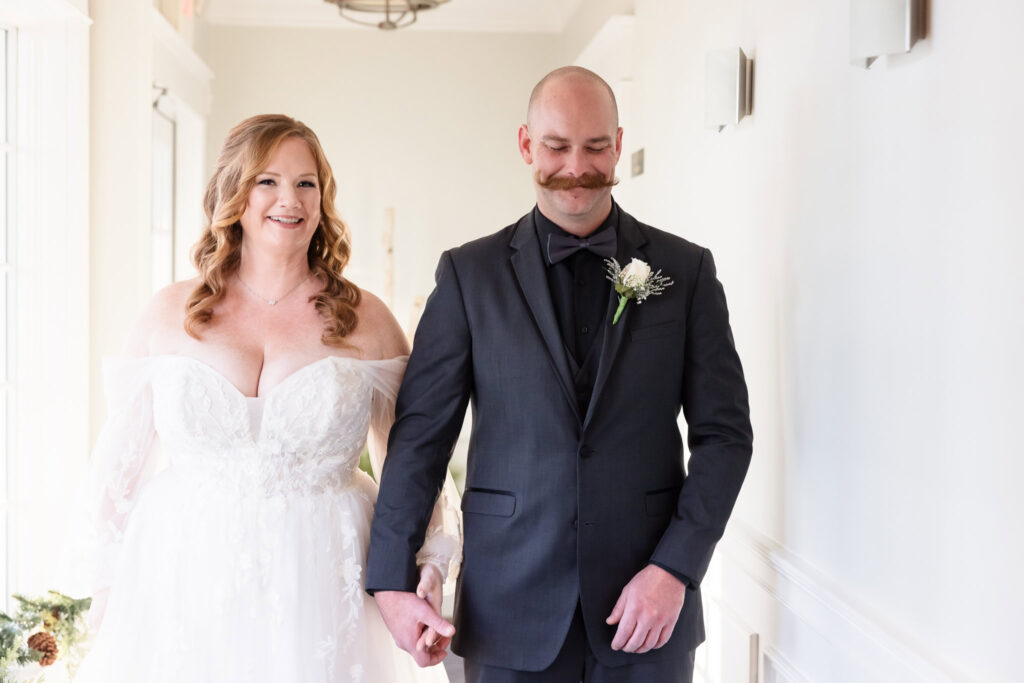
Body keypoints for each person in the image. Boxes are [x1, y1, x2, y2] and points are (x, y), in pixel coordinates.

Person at [366, 66, 753, 682]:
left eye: (596, 146)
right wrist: (390, 580)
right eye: (557, 146)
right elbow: (421, 437)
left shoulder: (686, 271)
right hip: (505, 609)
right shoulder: (469, 276)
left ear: (619, 143)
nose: (577, 166)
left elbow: (725, 436)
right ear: (526, 145)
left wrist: (675, 569)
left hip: (646, 609)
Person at [76, 114, 461, 683]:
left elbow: (412, 464)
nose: (290, 199)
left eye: (307, 183)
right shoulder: (168, 313)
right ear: (234, 192)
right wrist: (100, 602)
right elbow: (117, 476)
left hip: (326, 578)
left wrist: (430, 562)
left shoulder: (368, 319)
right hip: (184, 581)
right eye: (268, 181)